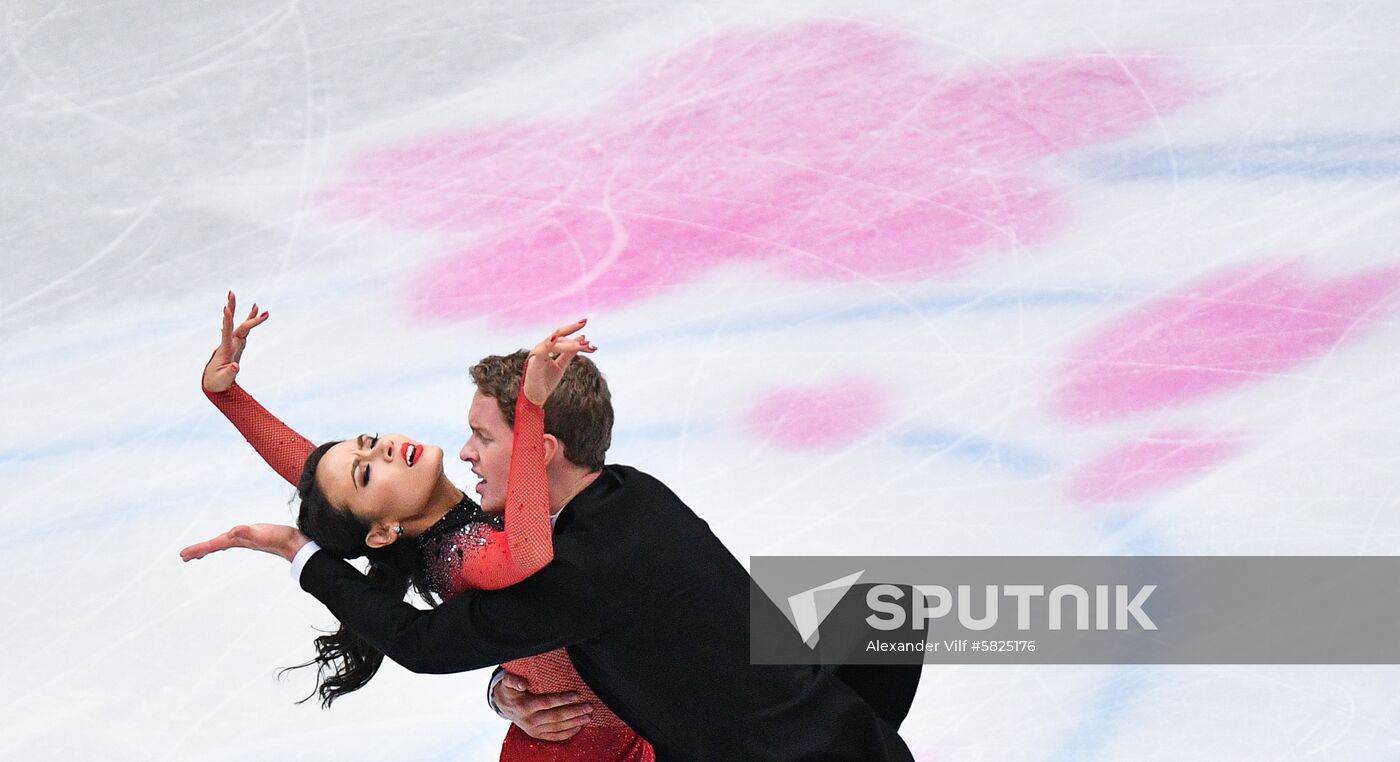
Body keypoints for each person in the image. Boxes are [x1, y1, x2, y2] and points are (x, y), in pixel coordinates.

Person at [185, 298, 919, 761]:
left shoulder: (529, 549)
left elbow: (353, 511)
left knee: (878, 613)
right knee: (888, 608)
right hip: (600, 741)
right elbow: (327, 482)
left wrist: (303, 550)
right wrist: (233, 405)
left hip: (698, 733)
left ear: (537, 458)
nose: (465, 451)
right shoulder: (626, 494)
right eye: (370, 466)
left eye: (482, 437)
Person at [183, 293, 653, 761]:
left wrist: (228, 396)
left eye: (367, 442)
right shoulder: (457, 553)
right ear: (383, 531)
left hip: (627, 729)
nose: (382, 450)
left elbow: (318, 472)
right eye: (366, 472)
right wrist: (530, 406)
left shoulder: (449, 527)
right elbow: (528, 552)